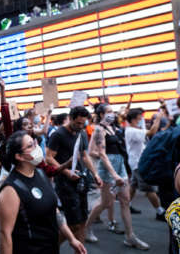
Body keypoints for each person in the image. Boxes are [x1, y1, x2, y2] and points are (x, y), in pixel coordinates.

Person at [0, 130, 87, 254]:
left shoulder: (40, 173)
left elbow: (54, 210)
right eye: (30, 146)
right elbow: (5, 234)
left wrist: (71, 238)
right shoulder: (11, 189)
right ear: (19, 156)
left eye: (34, 143)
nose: (36, 147)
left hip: (50, 247)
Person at [85, 104, 150, 250]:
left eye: (112, 111)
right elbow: (99, 153)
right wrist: (114, 174)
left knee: (125, 200)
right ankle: (86, 228)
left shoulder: (114, 128)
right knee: (105, 203)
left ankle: (130, 236)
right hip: (108, 168)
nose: (112, 114)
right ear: (101, 114)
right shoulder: (99, 130)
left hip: (120, 164)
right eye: (108, 111)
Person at [46, 106, 102, 243]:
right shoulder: (58, 134)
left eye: (83, 123)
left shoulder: (82, 133)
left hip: (81, 181)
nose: (80, 126)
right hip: (65, 183)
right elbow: (48, 157)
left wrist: (95, 174)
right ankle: (51, 248)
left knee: (82, 221)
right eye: (77, 123)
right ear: (70, 118)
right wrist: (66, 172)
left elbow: (84, 156)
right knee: (74, 224)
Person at [126, 108, 165, 219]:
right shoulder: (132, 131)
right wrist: (158, 118)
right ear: (133, 119)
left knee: (133, 185)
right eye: (139, 118)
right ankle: (160, 212)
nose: (141, 119)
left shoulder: (135, 129)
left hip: (136, 162)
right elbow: (152, 132)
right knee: (149, 189)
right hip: (139, 164)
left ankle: (127, 205)